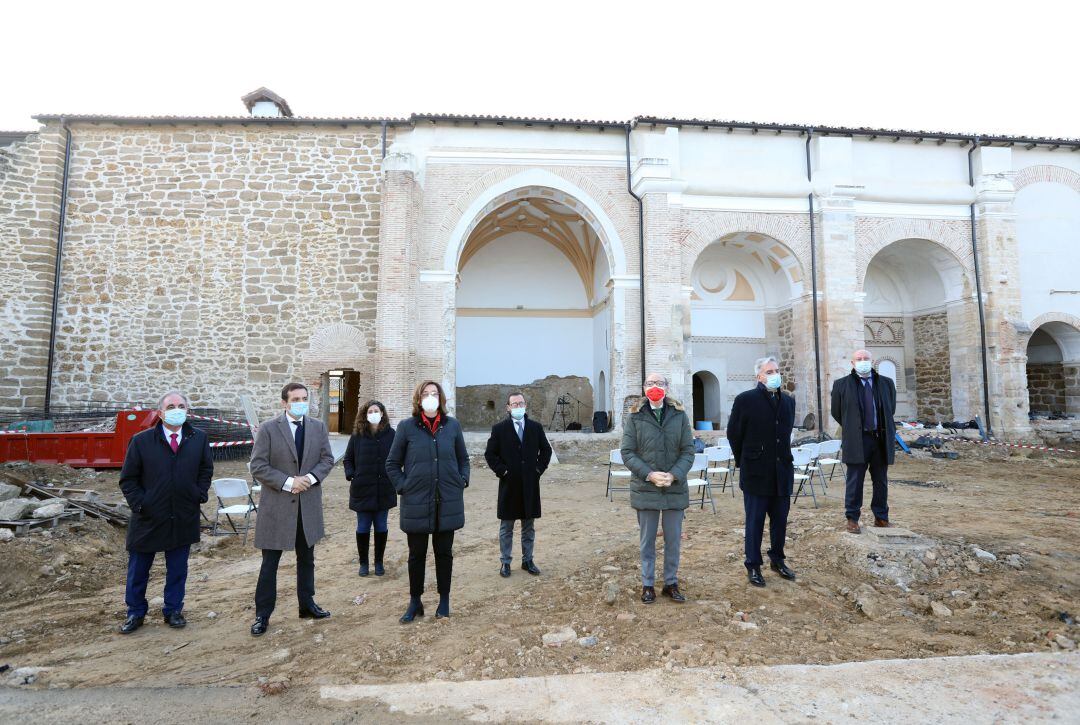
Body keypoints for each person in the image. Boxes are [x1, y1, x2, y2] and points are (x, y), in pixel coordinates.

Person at [117, 391, 213, 634]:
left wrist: (198, 494)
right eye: (171, 405)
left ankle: (173, 610)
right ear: (160, 412)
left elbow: (205, 470)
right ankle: (135, 613)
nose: (177, 409)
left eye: (181, 405)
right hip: (148, 516)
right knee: (139, 570)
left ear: (188, 410)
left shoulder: (198, 438)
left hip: (183, 514)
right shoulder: (141, 441)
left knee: (178, 569)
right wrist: (141, 505)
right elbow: (128, 480)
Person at [248, 382, 335, 637]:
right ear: (284, 403)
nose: (301, 402)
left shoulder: (318, 427)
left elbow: (327, 459)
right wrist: (289, 482)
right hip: (277, 508)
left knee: (306, 560)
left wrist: (309, 478)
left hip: (307, 507)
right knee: (270, 564)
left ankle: (307, 605)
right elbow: (258, 466)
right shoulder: (268, 429)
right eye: (295, 398)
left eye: (304, 398)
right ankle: (262, 614)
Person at [385, 380, 469, 623]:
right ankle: (415, 601)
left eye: (435, 393)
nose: (430, 397)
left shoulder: (452, 426)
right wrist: (404, 486)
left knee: (444, 553)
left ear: (441, 399)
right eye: (426, 393)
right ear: (419, 398)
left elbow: (463, 458)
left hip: (447, 500)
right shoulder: (407, 427)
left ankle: (444, 600)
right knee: (416, 555)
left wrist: (462, 480)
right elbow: (392, 463)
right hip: (417, 502)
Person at [620, 372, 695, 604]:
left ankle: (671, 583)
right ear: (644, 388)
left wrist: (674, 475)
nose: (655, 387)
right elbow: (628, 452)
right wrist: (649, 474)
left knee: (673, 540)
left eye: (660, 383)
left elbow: (688, 451)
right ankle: (648, 584)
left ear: (667, 387)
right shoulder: (635, 417)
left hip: (674, 487)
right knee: (647, 540)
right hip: (646, 488)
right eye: (651, 383)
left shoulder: (679, 416)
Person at [726, 356, 797, 587]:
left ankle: (777, 559)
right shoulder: (745, 400)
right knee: (755, 521)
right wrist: (745, 460)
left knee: (780, 521)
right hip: (756, 471)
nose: (774, 374)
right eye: (769, 371)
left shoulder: (788, 401)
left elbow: (784, 434)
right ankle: (753, 565)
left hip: (782, 470)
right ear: (758, 376)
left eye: (776, 371)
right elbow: (734, 434)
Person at [484, 391, 553, 578]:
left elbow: (546, 451)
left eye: (521, 403)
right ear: (508, 407)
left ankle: (527, 560)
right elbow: (490, 455)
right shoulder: (499, 429)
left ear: (525, 406)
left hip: (530, 485)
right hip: (509, 485)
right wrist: (503, 471)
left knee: (528, 526)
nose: (518, 407)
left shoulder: (535, 428)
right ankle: (505, 562)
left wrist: (538, 470)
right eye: (514, 404)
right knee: (506, 527)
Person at [831, 349, 897, 533]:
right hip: (857, 440)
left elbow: (890, 408)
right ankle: (852, 519)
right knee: (855, 481)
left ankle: (881, 518)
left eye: (866, 358)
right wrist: (853, 427)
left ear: (872, 361)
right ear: (852, 363)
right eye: (858, 359)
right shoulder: (841, 385)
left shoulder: (886, 383)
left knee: (881, 481)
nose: (862, 361)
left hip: (880, 439)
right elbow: (837, 412)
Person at [343, 400, 396, 577]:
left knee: (381, 525)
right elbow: (348, 458)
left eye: (376, 411)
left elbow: (398, 458)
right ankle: (363, 563)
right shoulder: (357, 435)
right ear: (365, 415)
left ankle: (379, 562)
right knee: (363, 526)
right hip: (362, 489)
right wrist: (351, 474)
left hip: (384, 488)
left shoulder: (392, 435)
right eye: (370, 411)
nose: (373, 413)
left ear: (382, 414)